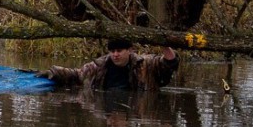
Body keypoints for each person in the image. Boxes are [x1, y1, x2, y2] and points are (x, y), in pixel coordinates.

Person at [36, 39, 179, 90]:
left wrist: (164, 44)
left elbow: (169, 63)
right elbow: (77, 74)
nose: (115, 54)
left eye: (119, 51)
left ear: (130, 50)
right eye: (112, 51)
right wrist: (53, 72)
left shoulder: (145, 63)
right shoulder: (99, 66)